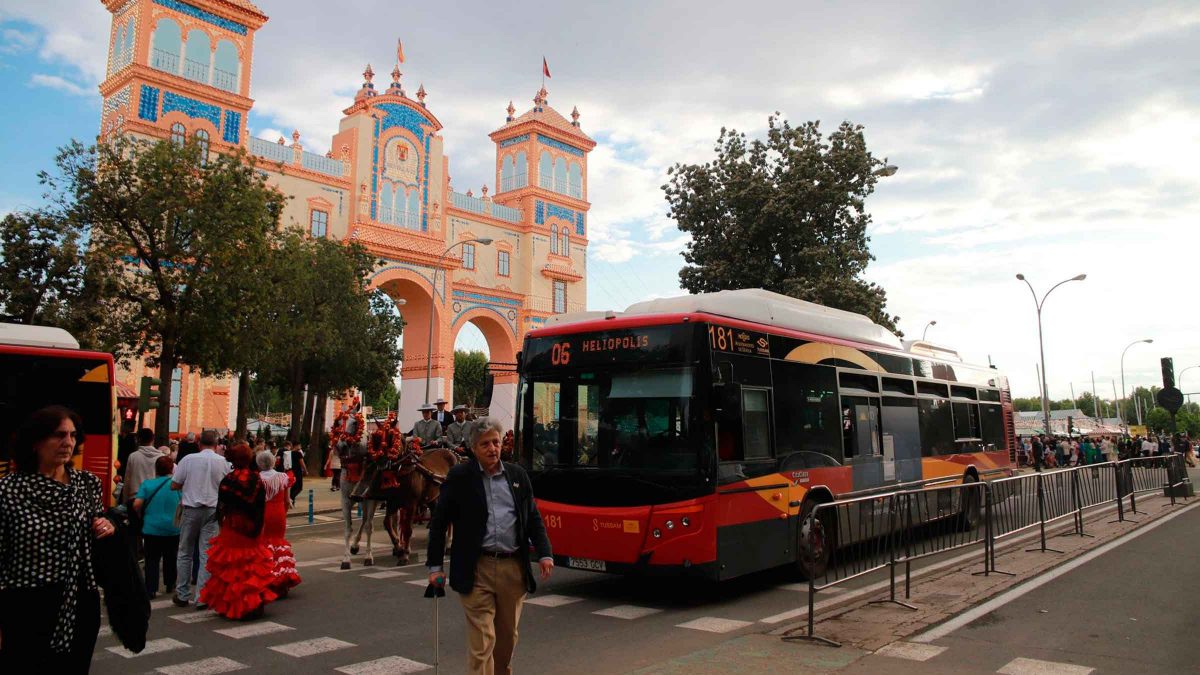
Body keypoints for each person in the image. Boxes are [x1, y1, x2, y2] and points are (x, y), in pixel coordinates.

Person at [427, 418, 554, 675]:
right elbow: (439, 523)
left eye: (495, 442)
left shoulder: (517, 476)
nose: (492, 448)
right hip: (477, 569)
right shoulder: (460, 477)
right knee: (482, 642)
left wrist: (545, 553)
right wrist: (435, 567)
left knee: (506, 640)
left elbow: (533, 518)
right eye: (485, 444)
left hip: (512, 568)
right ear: (474, 448)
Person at [0, 406, 115, 672]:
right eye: (59, 435)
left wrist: (108, 527)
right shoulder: (9, 490)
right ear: (36, 441)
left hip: (79, 600)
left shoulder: (87, 483)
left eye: (73, 435)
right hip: (26, 603)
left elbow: (99, 525)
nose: (68, 443)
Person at [199, 443, 277, 620]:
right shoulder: (256, 479)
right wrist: (258, 526)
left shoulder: (228, 480)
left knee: (231, 567)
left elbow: (221, 506)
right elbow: (260, 505)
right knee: (250, 567)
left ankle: (230, 604)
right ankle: (253, 604)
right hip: (251, 527)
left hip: (232, 527)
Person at [171, 429, 230, 608]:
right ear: (217, 444)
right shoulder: (223, 463)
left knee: (184, 552)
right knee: (206, 553)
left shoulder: (188, 460)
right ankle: (202, 596)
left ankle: (182, 593)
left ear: (199, 443)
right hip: (212, 510)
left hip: (190, 508)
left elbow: (174, 484)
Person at [134, 455, 181, 599]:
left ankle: (151, 588)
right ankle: (170, 583)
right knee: (171, 556)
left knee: (152, 558)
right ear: (172, 469)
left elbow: (137, 504)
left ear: (156, 469)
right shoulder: (177, 485)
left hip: (151, 527)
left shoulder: (147, 484)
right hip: (173, 527)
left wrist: (140, 515)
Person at [257, 451, 301, 598]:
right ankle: (281, 580)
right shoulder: (283, 477)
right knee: (279, 545)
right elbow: (288, 501)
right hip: (278, 512)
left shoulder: (257, 479)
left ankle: (265, 579)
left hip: (262, 513)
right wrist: (284, 513)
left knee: (263, 545)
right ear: (274, 462)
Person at [122, 427, 161, 505]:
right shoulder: (161, 457)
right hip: (153, 498)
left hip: (135, 497)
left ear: (138, 439)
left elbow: (127, 478)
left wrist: (125, 499)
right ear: (153, 439)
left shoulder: (133, 456)